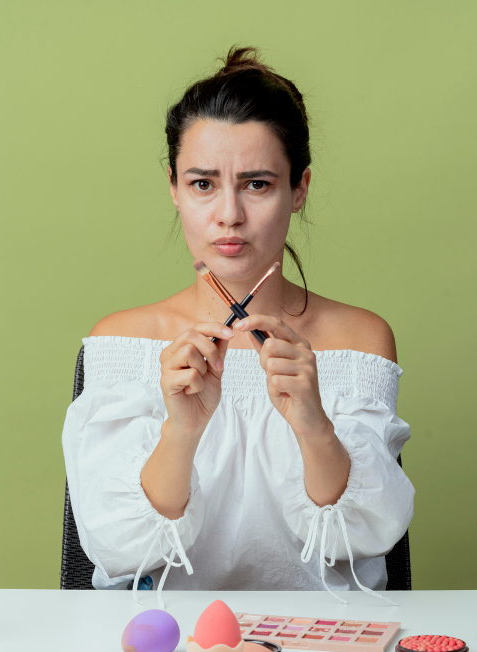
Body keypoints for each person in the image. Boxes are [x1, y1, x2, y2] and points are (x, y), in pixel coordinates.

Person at [61, 46, 414, 607]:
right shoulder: (120, 342)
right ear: (173, 187)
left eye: (257, 184)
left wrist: (313, 424)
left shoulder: (359, 341)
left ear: (298, 190)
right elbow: (116, 550)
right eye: (203, 184)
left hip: (328, 643)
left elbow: (365, 539)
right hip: (160, 646)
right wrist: (180, 429)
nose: (229, 215)